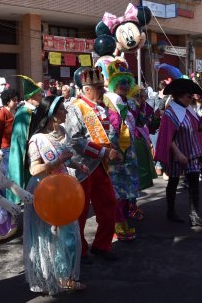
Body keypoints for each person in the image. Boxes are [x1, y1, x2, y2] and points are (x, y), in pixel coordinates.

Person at [24, 95, 86, 294]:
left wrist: (76, 164)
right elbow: (34, 170)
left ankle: (65, 274)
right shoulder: (37, 139)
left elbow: (66, 156)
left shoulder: (61, 132)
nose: (66, 112)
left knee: (70, 235)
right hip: (46, 190)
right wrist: (55, 163)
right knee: (51, 236)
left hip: (64, 189)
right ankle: (57, 276)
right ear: (51, 113)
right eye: (62, 109)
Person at [65, 67, 122, 264]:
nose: (103, 91)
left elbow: (105, 135)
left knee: (109, 205)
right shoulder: (75, 108)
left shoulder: (100, 108)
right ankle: (79, 250)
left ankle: (102, 245)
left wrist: (114, 148)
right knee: (80, 212)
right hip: (82, 167)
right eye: (98, 87)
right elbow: (75, 140)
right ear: (87, 89)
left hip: (100, 165)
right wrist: (104, 151)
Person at [154, 78, 202, 227]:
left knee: (194, 183)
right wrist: (178, 153)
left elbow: (197, 128)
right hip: (178, 154)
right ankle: (170, 211)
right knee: (173, 181)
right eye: (188, 96)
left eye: (191, 96)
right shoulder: (170, 113)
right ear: (178, 96)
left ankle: (194, 214)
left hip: (192, 152)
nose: (191, 99)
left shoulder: (188, 109)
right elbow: (167, 137)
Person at [103, 61, 141, 240]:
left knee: (128, 188)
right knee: (117, 189)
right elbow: (112, 126)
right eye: (121, 82)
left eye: (127, 82)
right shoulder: (109, 101)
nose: (125, 86)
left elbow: (139, 123)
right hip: (115, 151)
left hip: (129, 151)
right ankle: (117, 225)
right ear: (113, 84)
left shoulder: (131, 102)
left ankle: (124, 218)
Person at [8, 75, 43, 203]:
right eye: (39, 95)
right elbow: (20, 140)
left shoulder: (35, 111)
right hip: (28, 157)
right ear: (31, 97)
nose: (41, 98)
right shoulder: (24, 113)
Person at [0, 89, 18, 172]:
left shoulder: (16, 112)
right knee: (8, 173)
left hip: (15, 147)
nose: (17, 102)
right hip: (6, 150)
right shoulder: (1, 114)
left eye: (17, 100)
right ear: (7, 102)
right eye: (14, 100)